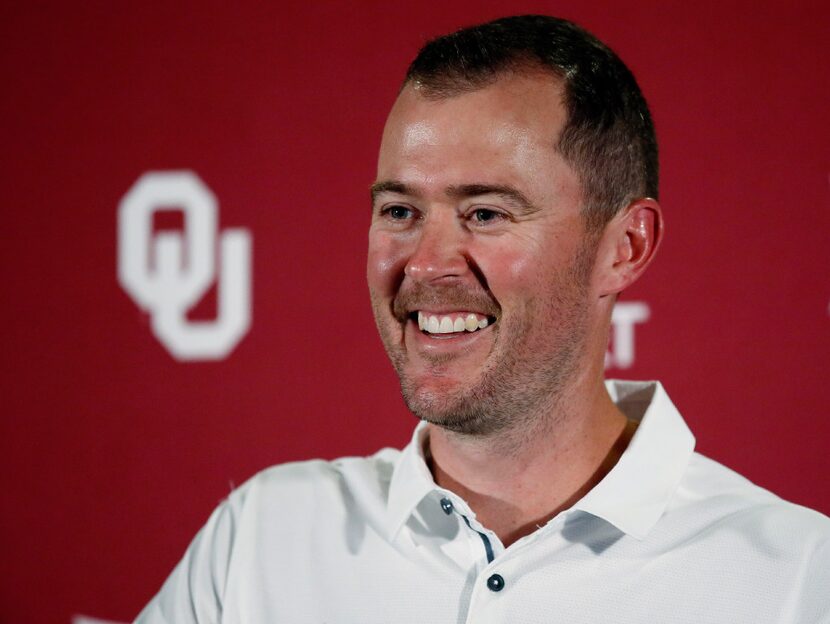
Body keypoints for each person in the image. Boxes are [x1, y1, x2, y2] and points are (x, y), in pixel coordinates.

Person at [137, 15, 829, 623]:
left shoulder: (796, 581)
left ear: (625, 248)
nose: (426, 263)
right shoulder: (262, 540)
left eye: (487, 213)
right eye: (400, 211)